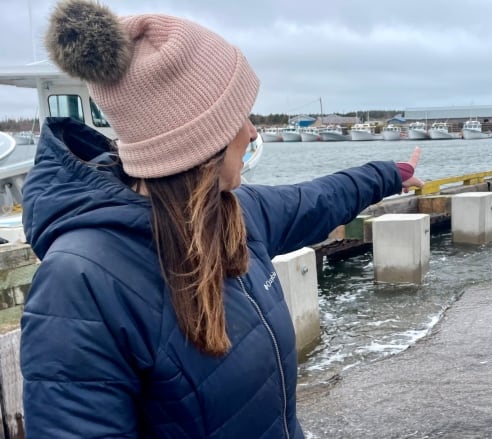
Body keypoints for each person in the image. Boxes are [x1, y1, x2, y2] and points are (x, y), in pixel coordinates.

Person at [20, 1, 423, 438]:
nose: (251, 131)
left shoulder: (235, 215)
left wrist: (389, 175)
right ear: (199, 139)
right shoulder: (79, 284)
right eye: (239, 117)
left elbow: (317, 199)